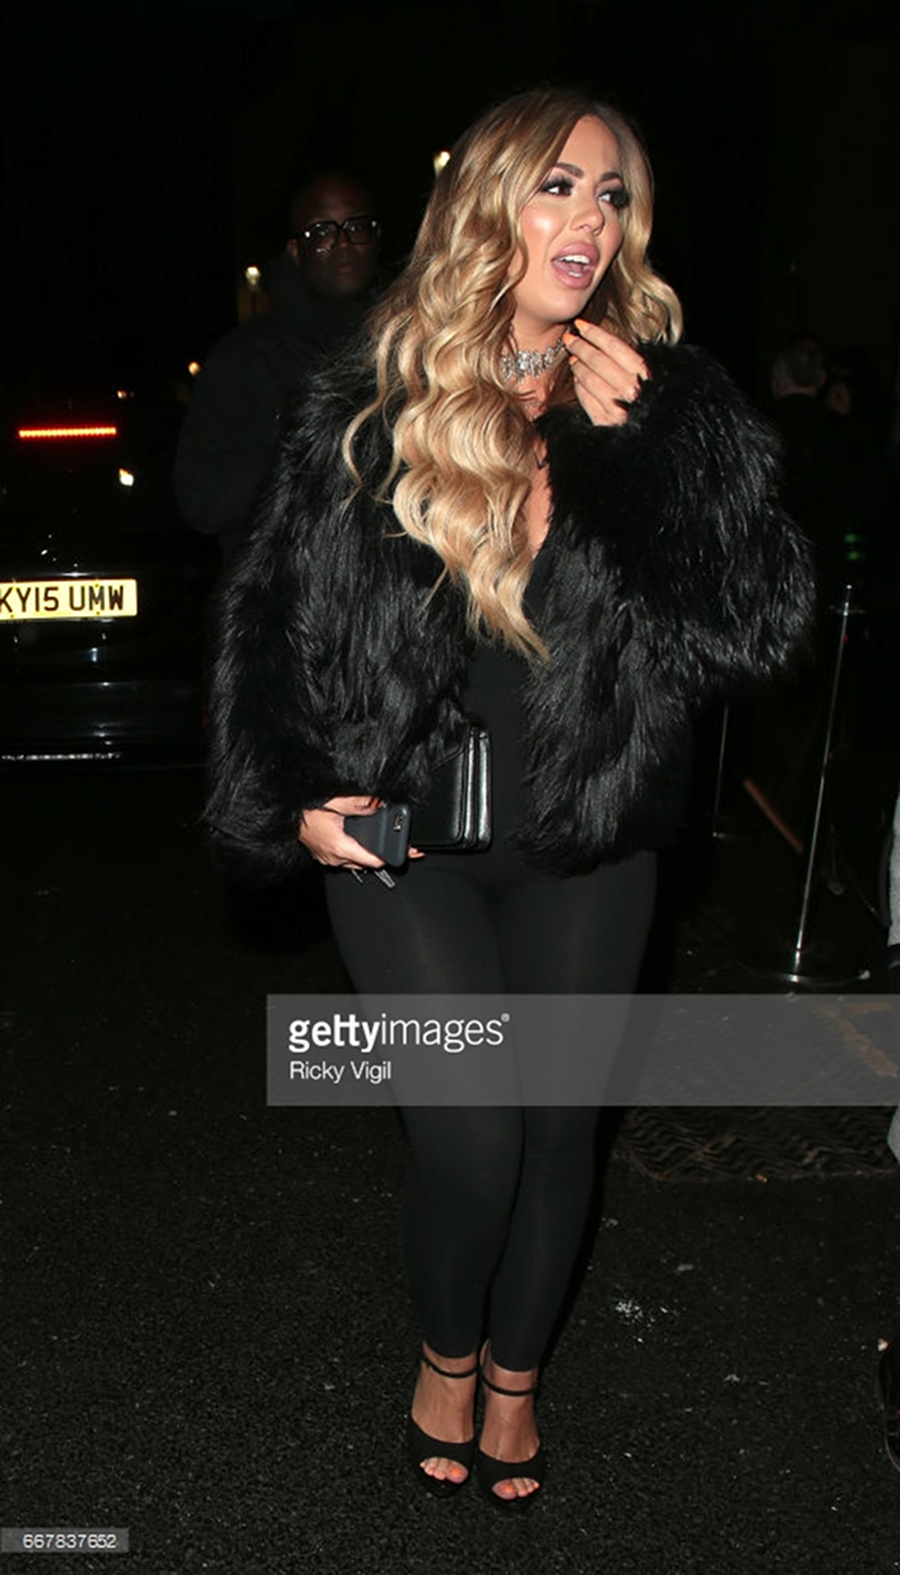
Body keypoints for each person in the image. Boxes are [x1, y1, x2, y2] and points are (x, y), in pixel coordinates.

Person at [206, 89, 812, 1508]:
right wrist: (289, 788)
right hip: (408, 841)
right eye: (558, 185)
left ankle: (519, 1377)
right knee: (470, 1135)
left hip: (587, 835)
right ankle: (445, 1348)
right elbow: (268, 610)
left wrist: (659, 450)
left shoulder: (665, 395)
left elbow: (756, 628)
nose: (588, 219)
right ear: (490, 202)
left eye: (613, 194)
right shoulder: (371, 392)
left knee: (555, 1136)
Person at [174, 170, 380, 558]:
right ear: (295, 250)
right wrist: (305, 460)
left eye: (357, 227)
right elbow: (202, 499)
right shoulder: (245, 358)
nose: (343, 243)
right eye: (321, 232)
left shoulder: (408, 347)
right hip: (286, 587)